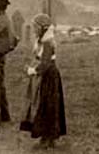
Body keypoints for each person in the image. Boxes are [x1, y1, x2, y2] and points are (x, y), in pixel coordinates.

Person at [20, 13, 66, 149]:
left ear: (42, 28)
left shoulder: (47, 42)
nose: (34, 29)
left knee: (46, 106)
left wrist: (32, 71)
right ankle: (48, 137)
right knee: (47, 106)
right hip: (47, 76)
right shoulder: (43, 40)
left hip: (49, 78)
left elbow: (45, 63)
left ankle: (47, 137)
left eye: (36, 27)